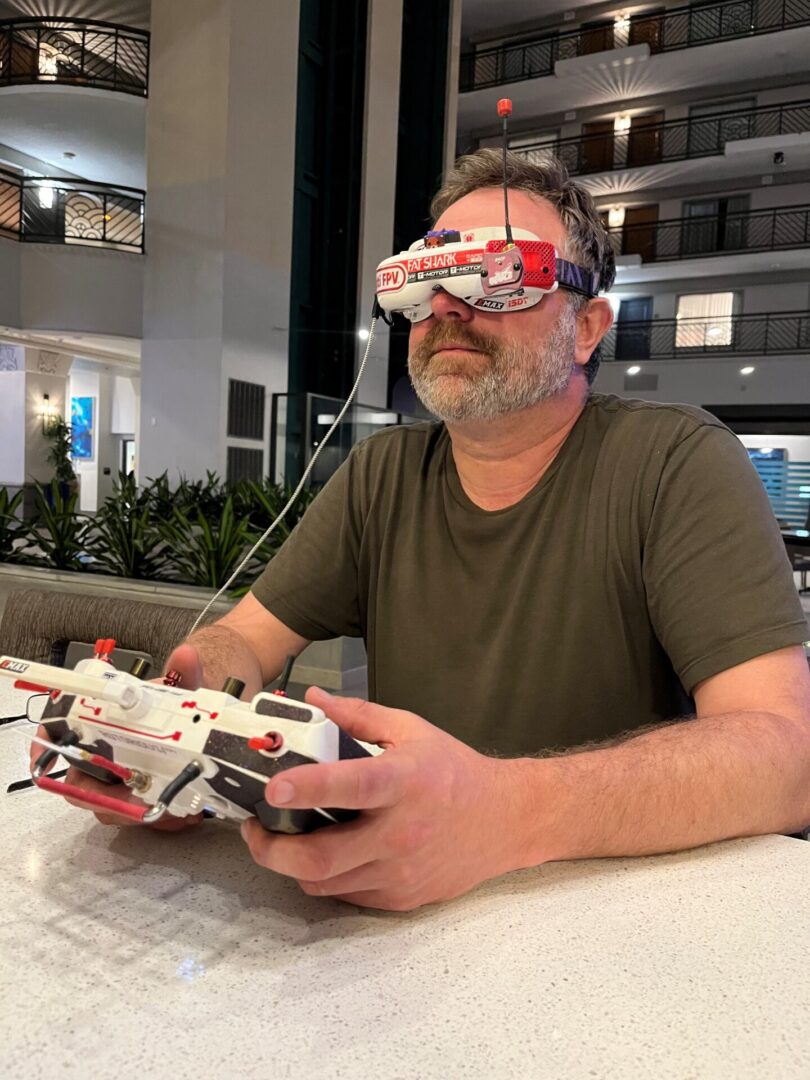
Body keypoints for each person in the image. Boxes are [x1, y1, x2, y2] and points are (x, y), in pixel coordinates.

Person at [56, 151, 810, 910]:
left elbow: (787, 754)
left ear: (586, 327)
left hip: (603, 919)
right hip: (391, 917)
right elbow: (246, 640)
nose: (448, 304)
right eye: (428, 277)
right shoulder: (382, 473)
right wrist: (177, 721)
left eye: (499, 274)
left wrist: (506, 811)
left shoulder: (673, 463)